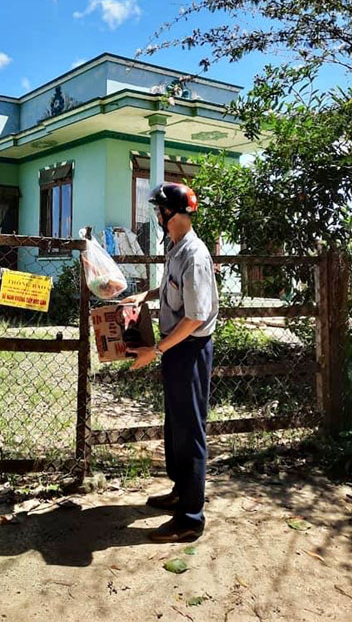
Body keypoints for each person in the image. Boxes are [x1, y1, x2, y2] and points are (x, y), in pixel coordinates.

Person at [123, 182, 218, 543]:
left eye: (160, 210)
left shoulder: (194, 255)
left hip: (189, 349)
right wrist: (145, 294)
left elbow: (195, 316)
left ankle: (191, 519)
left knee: (191, 430)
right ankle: (181, 492)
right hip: (177, 347)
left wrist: (156, 350)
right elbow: (173, 290)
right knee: (175, 424)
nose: (158, 217)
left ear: (172, 214)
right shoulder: (176, 250)